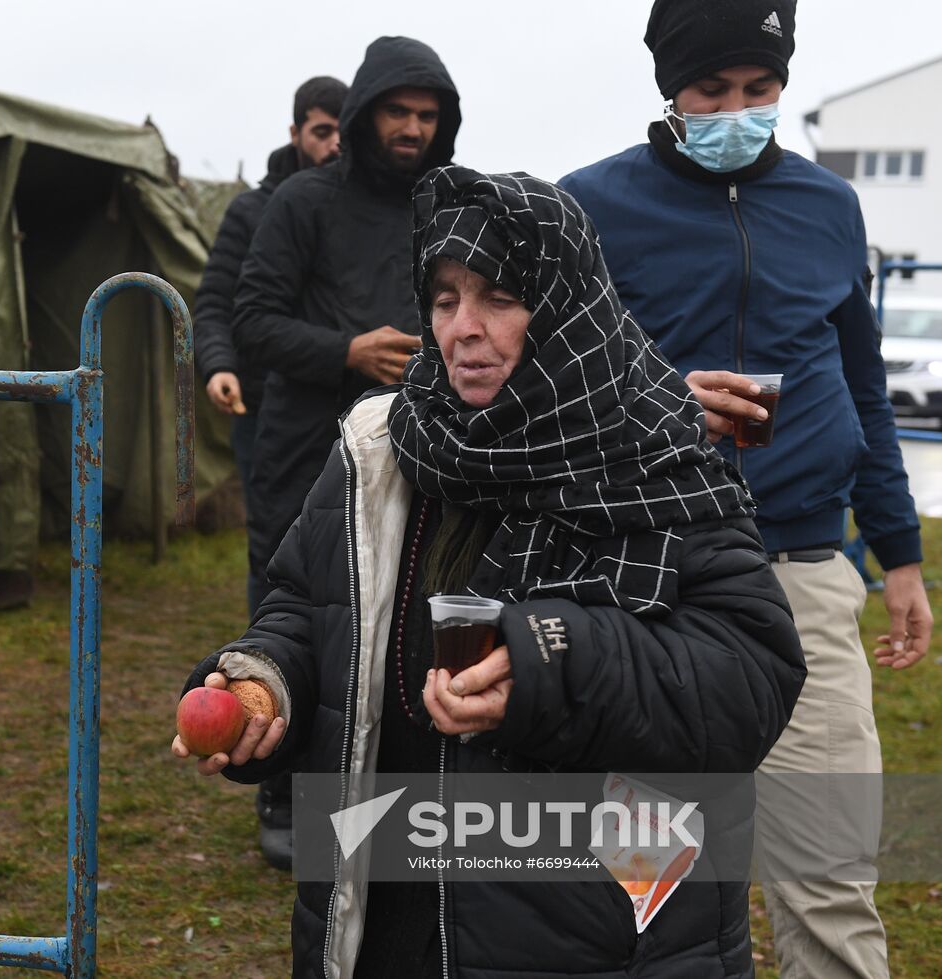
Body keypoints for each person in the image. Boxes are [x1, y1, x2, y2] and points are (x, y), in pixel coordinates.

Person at [173, 167, 806, 978]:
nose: (463, 328)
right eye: (444, 299)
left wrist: (550, 660)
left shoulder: (652, 453)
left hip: (586, 938)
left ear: (566, 303)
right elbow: (309, 603)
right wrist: (267, 685)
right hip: (386, 922)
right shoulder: (384, 448)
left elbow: (749, 674)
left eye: (500, 298)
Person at [560, 3, 933, 976]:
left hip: (801, 569)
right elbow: (532, 393)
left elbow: (863, 388)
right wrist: (655, 397)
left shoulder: (826, 207)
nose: (737, 110)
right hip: (648, 578)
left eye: (758, 91)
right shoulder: (588, 208)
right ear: (669, 93)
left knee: (828, 865)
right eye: (711, 92)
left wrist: (897, 554)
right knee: (647, 872)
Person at [227, 36, 462, 872]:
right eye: (398, 112)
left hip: (417, 450)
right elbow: (252, 319)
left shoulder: (446, 204)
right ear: (365, 114)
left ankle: (380, 801)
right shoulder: (302, 202)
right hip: (304, 450)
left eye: (428, 115)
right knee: (299, 620)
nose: (412, 128)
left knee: (401, 625)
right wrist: (346, 351)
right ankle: (282, 791)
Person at [195, 75, 347, 617]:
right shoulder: (253, 212)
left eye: (342, 131)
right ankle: (267, 665)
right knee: (278, 544)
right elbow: (215, 301)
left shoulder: (361, 214)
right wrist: (218, 365)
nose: (334, 144)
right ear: (295, 131)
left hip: (348, 408)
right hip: (263, 408)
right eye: (322, 130)